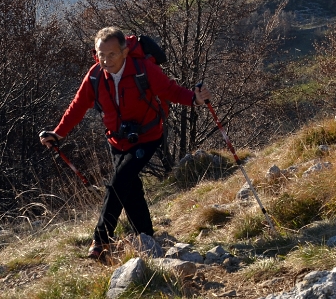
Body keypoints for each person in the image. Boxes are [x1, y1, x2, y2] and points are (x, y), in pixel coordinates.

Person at [40, 26, 210, 261]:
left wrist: (195, 99)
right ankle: (145, 236)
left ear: (125, 51)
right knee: (130, 187)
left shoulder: (143, 69)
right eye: (101, 55)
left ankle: (101, 239)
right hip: (116, 140)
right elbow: (77, 107)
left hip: (148, 137)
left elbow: (170, 90)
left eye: (111, 54)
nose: (106, 60)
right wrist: (58, 134)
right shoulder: (95, 76)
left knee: (119, 181)